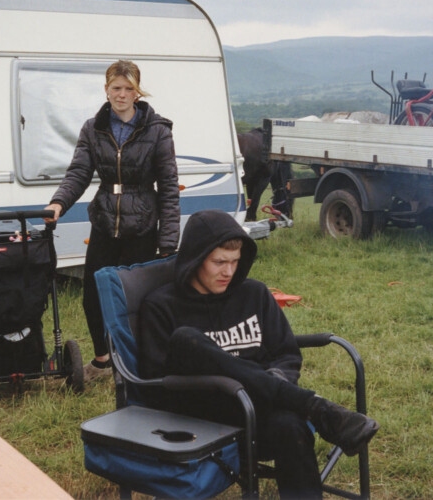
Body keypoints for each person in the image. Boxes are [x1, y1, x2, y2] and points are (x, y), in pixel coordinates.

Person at [138, 209, 379, 499]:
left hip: (261, 409)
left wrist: (274, 380)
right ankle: (315, 407)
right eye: (219, 262)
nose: (229, 272)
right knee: (186, 338)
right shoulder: (161, 307)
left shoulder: (254, 294)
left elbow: (286, 353)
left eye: (235, 262)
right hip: (202, 413)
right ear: (194, 258)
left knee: (290, 424)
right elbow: (155, 382)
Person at [46, 60, 180, 382]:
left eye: (128, 88)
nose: (121, 94)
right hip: (105, 222)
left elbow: (170, 187)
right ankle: (103, 361)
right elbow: (79, 172)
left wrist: (168, 240)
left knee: (139, 301)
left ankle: (135, 364)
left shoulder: (158, 130)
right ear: (106, 90)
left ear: (137, 92)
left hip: (143, 226)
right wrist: (59, 201)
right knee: (92, 295)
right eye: (115, 88)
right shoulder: (93, 128)